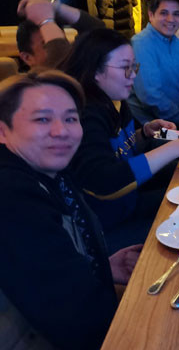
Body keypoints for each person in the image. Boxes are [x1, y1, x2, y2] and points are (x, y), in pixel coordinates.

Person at [0, 70, 141, 349]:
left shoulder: (48, 171)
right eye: (42, 119)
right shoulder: (11, 195)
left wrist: (99, 266)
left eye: (70, 118)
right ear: (3, 130)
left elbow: (46, 269)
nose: (61, 131)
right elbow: (78, 322)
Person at [62, 28, 179, 252]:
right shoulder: (85, 116)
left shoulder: (114, 99)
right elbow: (106, 182)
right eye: (125, 67)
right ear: (95, 70)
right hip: (111, 225)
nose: (133, 75)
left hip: (130, 201)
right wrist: (178, 147)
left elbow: (119, 150)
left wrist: (143, 133)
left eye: (133, 67)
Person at [127, 0, 179, 130]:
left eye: (176, 14)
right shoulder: (141, 44)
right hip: (153, 128)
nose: (170, 19)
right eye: (164, 13)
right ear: (151, 15)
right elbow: (151, 98)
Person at [16, 0, 104, 69]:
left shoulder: (78, 71)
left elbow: (99, 32)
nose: (62, 45)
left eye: (61, 38)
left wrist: (55, 7)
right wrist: (46, 20)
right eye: (47, 43)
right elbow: (61, 60)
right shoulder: (32, 84)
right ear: (27, 58)